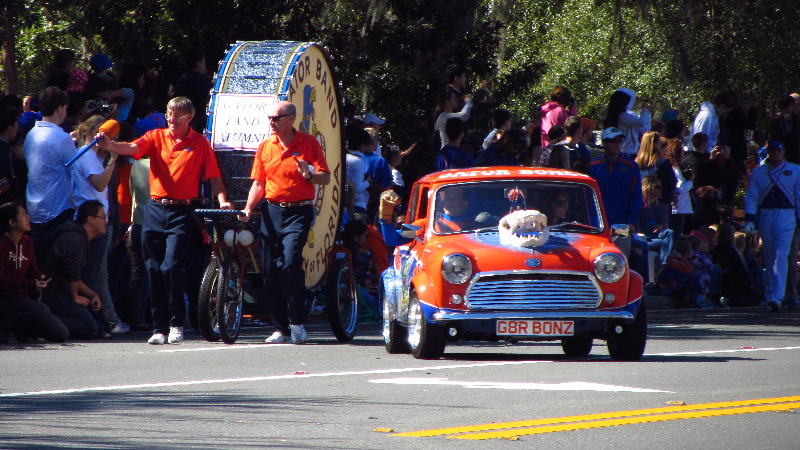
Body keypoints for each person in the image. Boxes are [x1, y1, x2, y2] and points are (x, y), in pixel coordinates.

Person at [98, 97, 232, 344]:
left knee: (171, 267)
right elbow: (132, 149)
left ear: (189, 117)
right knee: (153, 269)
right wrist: (110, 145)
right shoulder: (156, 136)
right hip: (155, 208)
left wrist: (223, 200)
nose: (171, 119)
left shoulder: (200, 143)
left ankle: (177, 323)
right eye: (169, 113)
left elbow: (214, 177)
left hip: (182, 212)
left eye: (177, 115)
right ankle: (159, 328)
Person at [240, 101, 330, 345]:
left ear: (290, 119)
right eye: (270, 118)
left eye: (276, 118)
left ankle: (298, 321)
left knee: (290, 262)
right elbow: (259, 183)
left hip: (298, 212)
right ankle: (280, 328)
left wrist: (309, 174)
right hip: (271, 212)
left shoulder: (308, 143)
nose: (271, 122)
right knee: (269, 272)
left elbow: (325, 176)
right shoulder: (265, 147)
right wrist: (248, 209)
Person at [70, 115, 129, 335]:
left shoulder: (92, 157)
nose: (103, 137)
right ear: (88, 132)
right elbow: (100, 183)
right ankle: (102, 322)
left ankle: (105, 320)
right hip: (92, 219)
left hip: (98, 216)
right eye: (100, 133)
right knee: (95, 272)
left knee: (98, 271)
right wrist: (113, 159)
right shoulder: (86, 157)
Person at [0, 202, 69, 342]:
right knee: (41, 310)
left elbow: (33, 271)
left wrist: (42, 277)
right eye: (23, 214)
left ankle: (19, 330)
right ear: (12, 222)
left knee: (61, 333)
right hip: (5, 299)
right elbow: (1, 280)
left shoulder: (26, 242)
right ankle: (5, 327)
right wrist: (31, 284)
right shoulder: (2, 244)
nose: (28, 218)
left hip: (22, 299)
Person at [744, 140, 800, 312]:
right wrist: (750, 219)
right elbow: (752, 196)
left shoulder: (795, 170)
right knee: (768, 254)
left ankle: (777, 296)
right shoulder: (758, 172)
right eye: (771, 150)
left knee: (781, 254)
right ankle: (769, 295)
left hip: (786, 215)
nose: (775, 154)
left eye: (778, 150)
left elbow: (798, 196)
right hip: (767, 214)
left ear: (783, 152)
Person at [39, 200, 107, 339]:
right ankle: (39, 322)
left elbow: (73, 276)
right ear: (90, 219)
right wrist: (76, 297)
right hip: (53, 292)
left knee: (89, 323)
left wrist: (92, 294)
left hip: (61, 290)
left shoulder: (79, 236)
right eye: (103, 217)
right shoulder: (75, 239)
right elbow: (71, 271)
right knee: (89, 327)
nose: (106, 222)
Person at [588, 127, 648, 277]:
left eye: (619, 141)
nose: (617, 144)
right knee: (597, 260)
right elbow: (588, 197)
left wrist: (632, 222)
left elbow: (636, 196)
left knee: (620, 262)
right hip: (598, 226)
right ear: (604, 143)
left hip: (622, 225)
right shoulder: (593, 167)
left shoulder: (630, 166)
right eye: (612, 141)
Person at [23, 86, 76, 250]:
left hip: (33, 208)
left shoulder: (31, 134)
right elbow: (75, 171)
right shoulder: (62, 138)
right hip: (58, 210)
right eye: (65, 108)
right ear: (60, 108)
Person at [602, 88, 651, 157]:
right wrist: (645, 110)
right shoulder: (623, 116)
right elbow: (641, 123)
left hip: (625, 150)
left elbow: (644, 128)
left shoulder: (616, 116)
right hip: (626, 151)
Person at [174, 48, 212, 133]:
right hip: (199, 123)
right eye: (204, 62)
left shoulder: (181, 80)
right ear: (198, 63)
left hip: (182, 122)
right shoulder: (204, 82)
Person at [666, 138, 693, 235]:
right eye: (681, 150)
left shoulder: (678, 168)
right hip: (677, 209)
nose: (683, 154)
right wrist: (690, 181)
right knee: (675, 236)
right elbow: (680, 189)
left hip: (681, 209)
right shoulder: (674, 169)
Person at [345, 128, 371, 215]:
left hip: (341, 200)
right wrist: (368, 182)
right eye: (367, 144)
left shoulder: (342, 157)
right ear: (362, 145)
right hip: (356, 204)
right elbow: (358, 188)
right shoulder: (358, 161)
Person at [0, 104, 21, 205]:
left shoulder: (8, 149)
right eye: (16, 124)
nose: (18, 129)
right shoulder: (3, 152)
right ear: (10, 127)